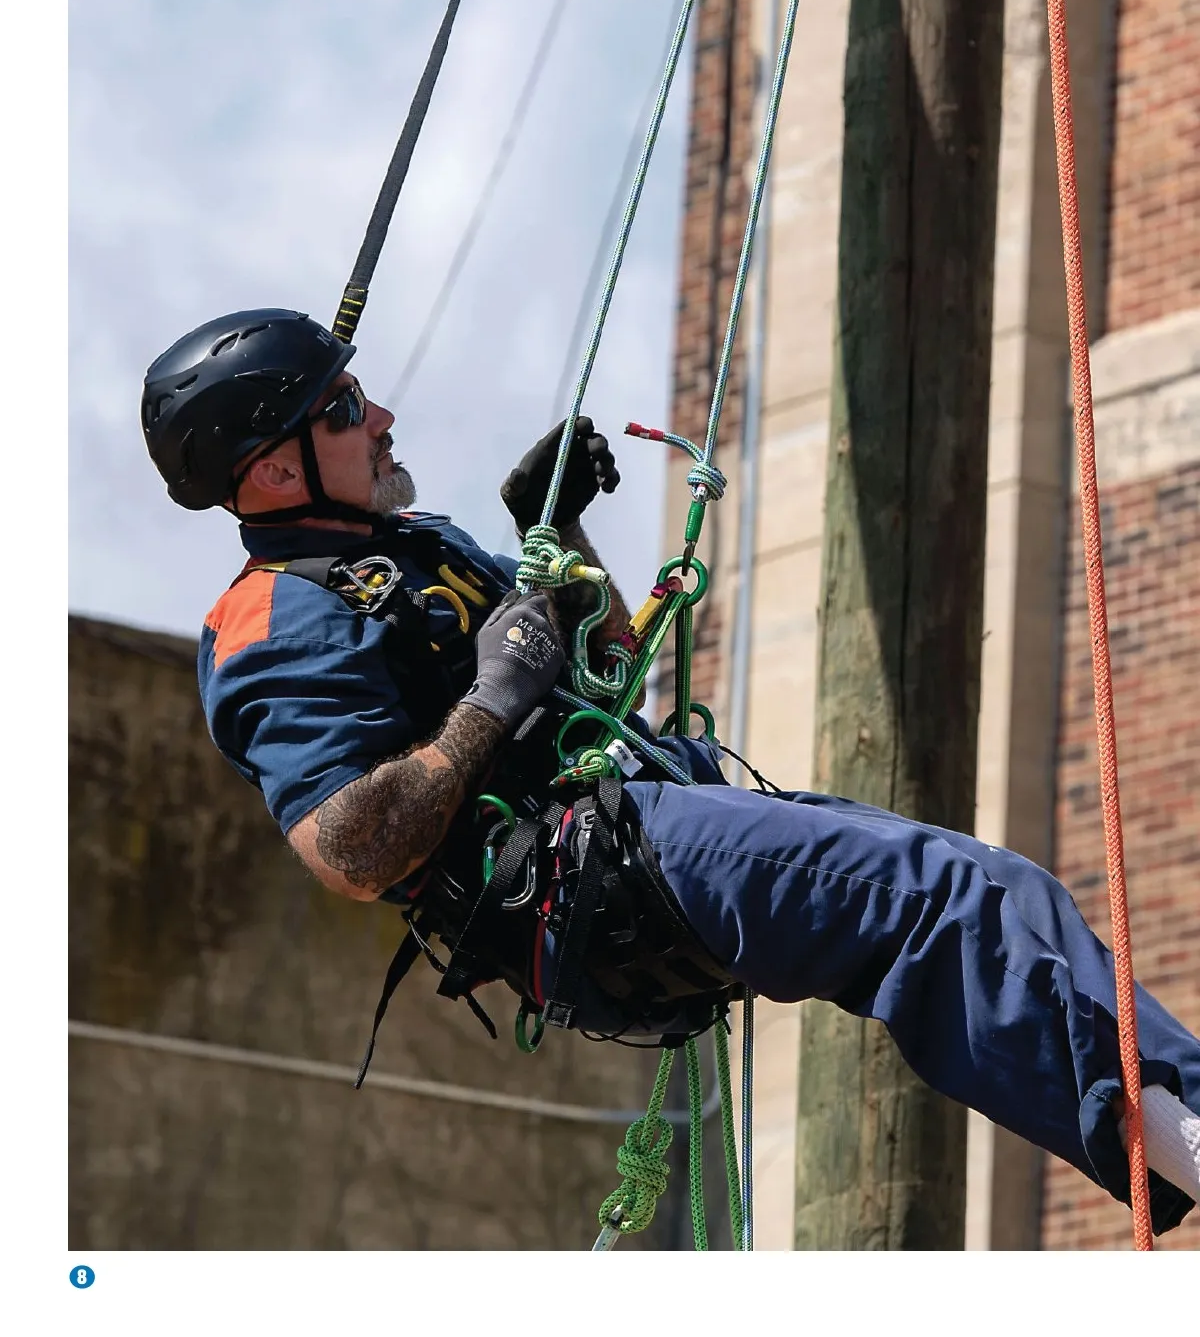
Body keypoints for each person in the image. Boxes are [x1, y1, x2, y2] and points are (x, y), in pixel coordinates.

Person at [141, 307, 1200, 1236]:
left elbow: (606, 660)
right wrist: (489, 703)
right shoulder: (272, 618)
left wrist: (558, 531)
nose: (379, 418)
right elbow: (349, 848)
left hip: (641, 812)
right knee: (946, 902)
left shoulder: (416, 543)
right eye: (342, 410)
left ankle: (1168, 1124)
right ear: (273, 471)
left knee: (994, 888)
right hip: (581, 871)